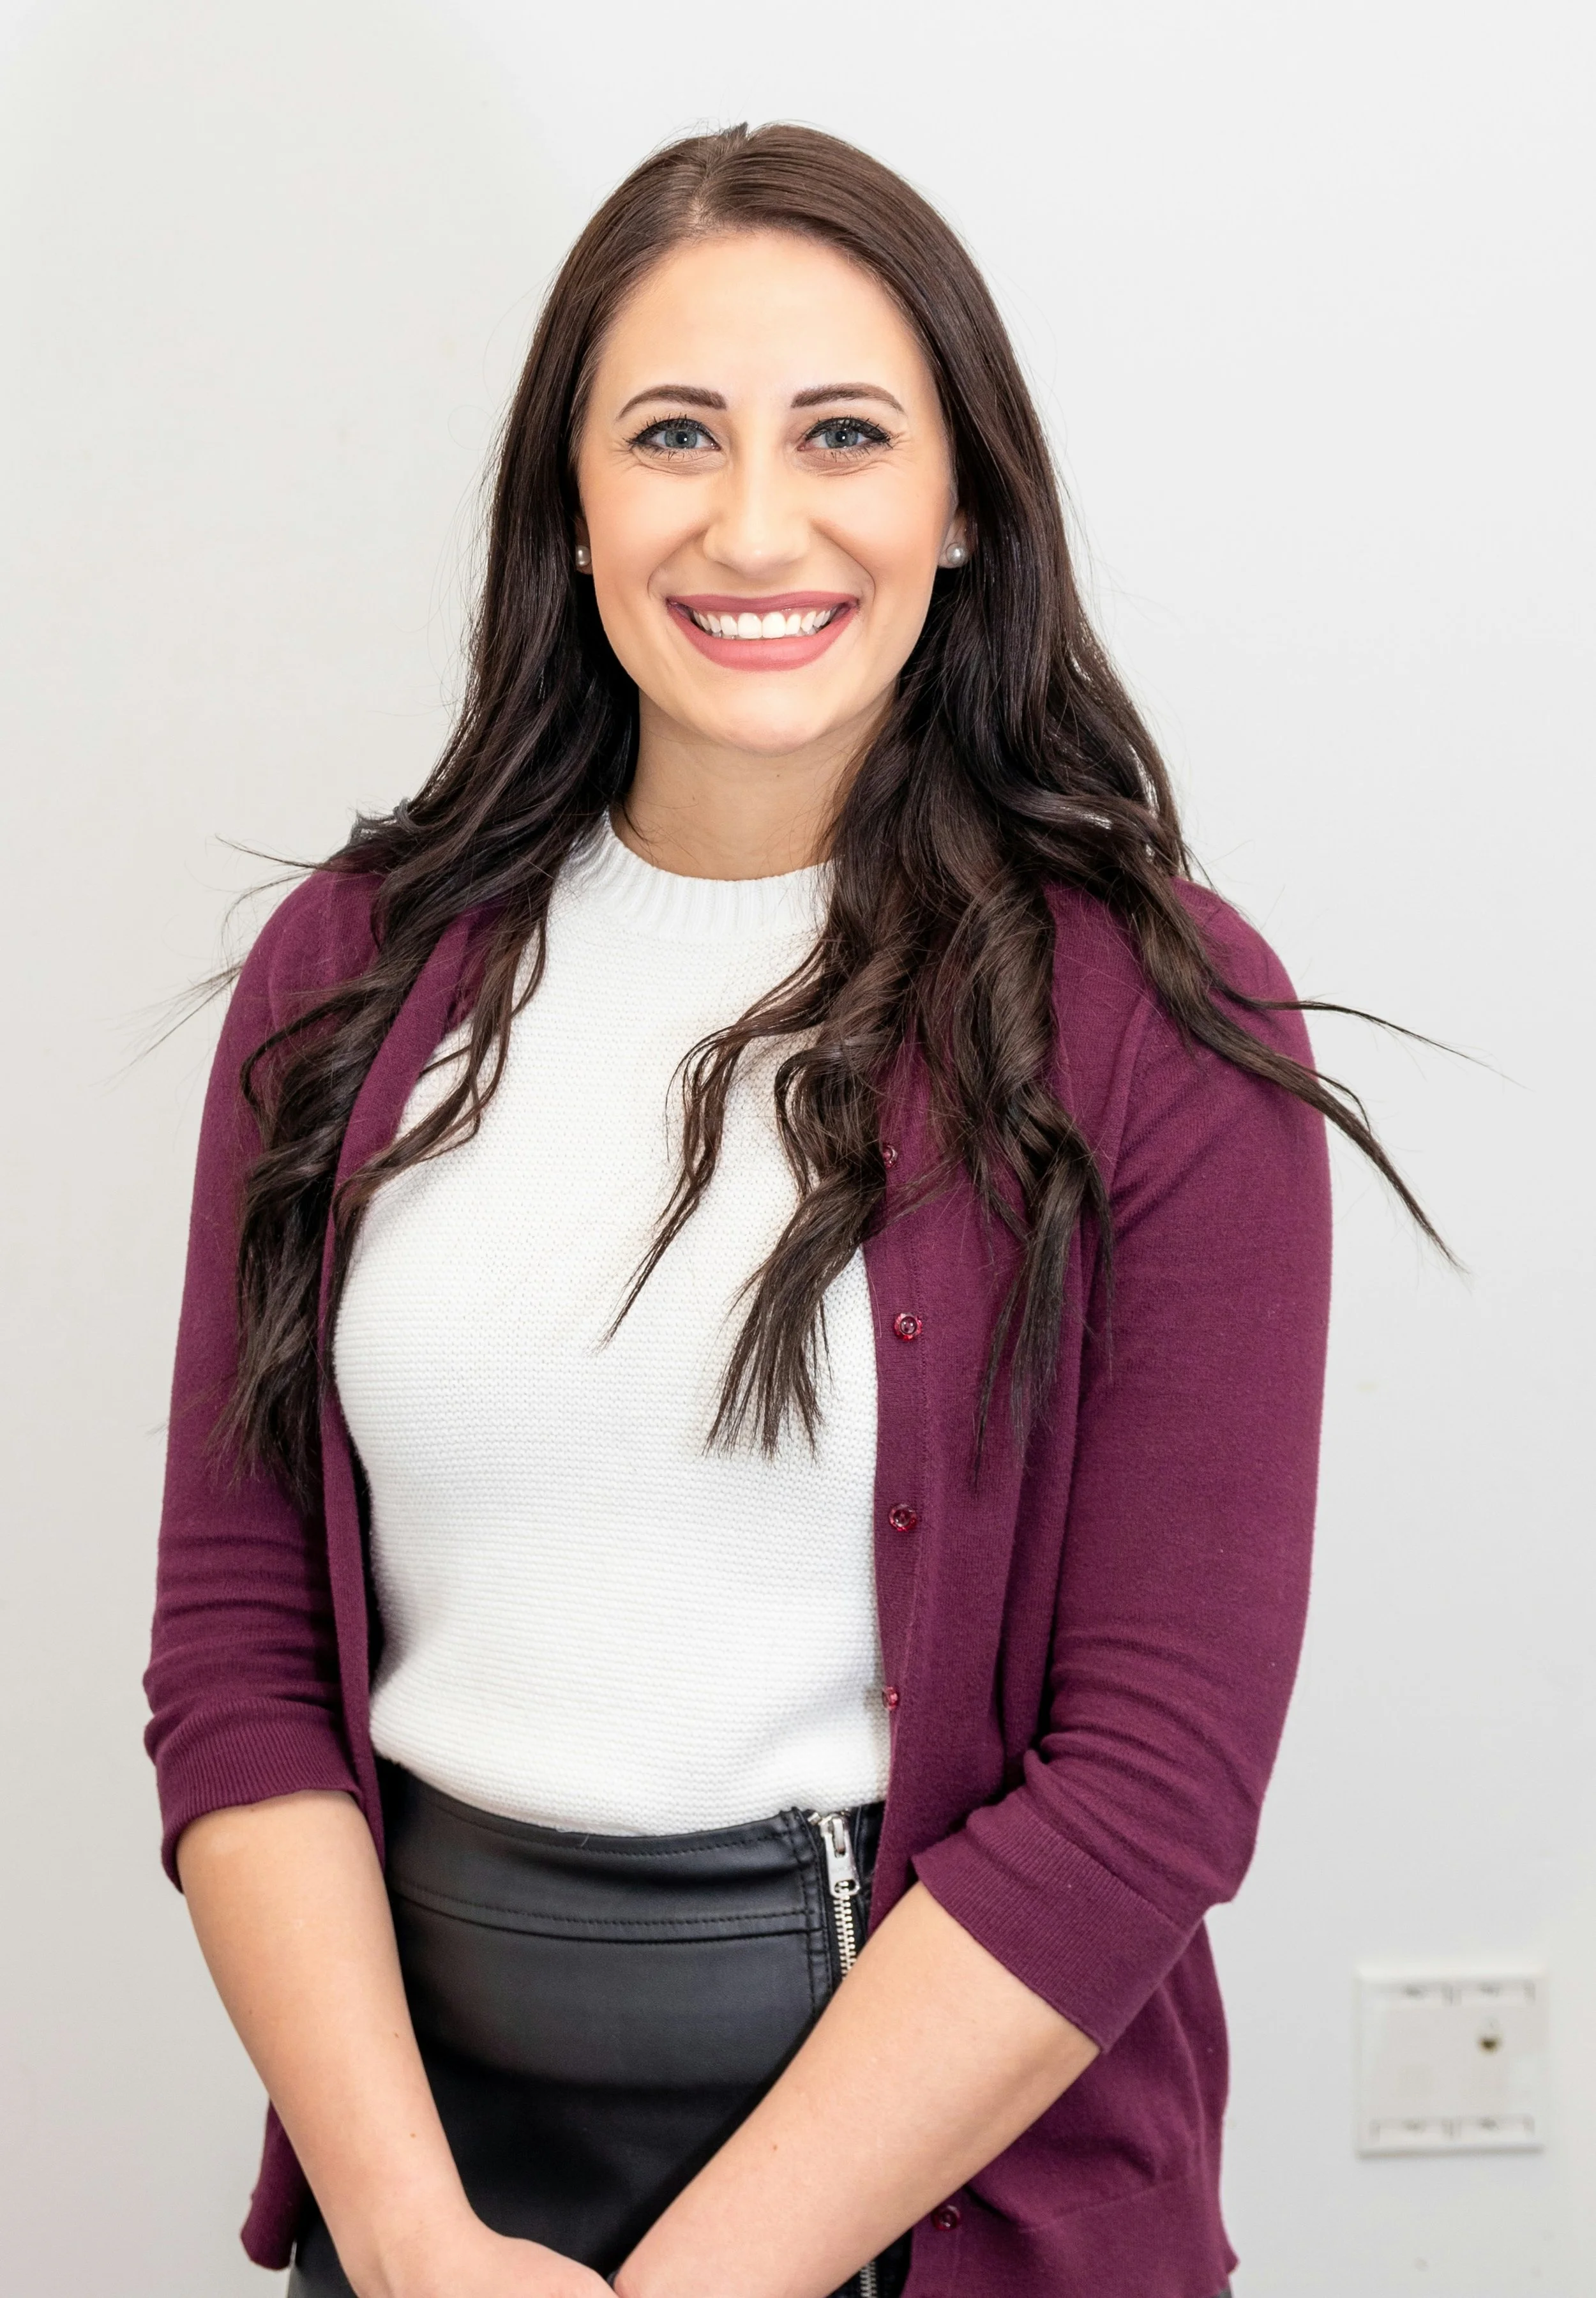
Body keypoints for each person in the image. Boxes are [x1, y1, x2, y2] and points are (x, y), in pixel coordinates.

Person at [145, 122, 1425, 2298]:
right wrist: (409, 2236)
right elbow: (238, 1663)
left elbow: (1152, 1783)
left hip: (937, 2195)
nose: (755, 523)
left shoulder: (1163, 1015)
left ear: (958, 505)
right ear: (568, 502)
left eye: (844, 432)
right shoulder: (347, 976)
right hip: (440, 2194)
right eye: (670, 435)